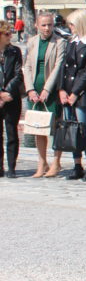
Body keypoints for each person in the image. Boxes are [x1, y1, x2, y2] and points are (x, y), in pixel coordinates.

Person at [58, 9, 86, 181]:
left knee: (83, 128)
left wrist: (75, 92)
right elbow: (64, 67)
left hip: (82, 91)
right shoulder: (72, 42)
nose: (70, 28)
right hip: (68, 90)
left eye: (72, 24)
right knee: (72, 128)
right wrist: (62, 89)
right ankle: (77, 164)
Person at [22, 11, 66, 178]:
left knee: (55, 127)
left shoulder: (60, 42)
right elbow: (27, 66)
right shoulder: (32, 41)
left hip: (52, 89)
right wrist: (30, 89)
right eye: (44, 25)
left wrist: (47, 89)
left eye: (50, 25)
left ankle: (56, 162)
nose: (47, 28)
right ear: (37, 25)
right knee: (38, 127)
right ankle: (42, 162)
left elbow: (58, 65)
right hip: (35, 88)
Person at [0, 21, 24, 177]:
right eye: (7, 33)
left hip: (11, 97)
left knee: (11, 132)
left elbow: (18, 74)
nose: (10, 36)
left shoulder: (15, 51)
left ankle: (12, 167)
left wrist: (7, 92)